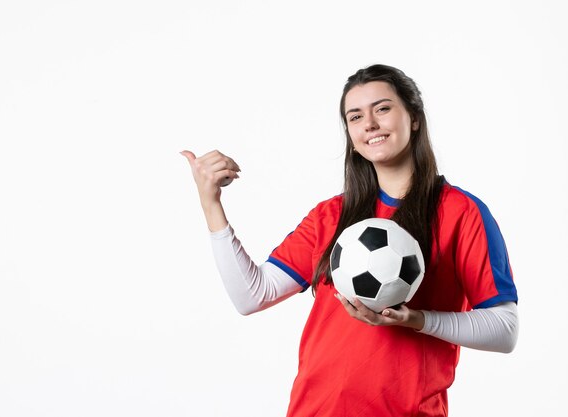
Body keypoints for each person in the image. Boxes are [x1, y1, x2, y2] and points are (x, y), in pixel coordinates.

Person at [181, 64, 519, 417]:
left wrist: (416, 319)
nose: (369, 124)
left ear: (414, 118)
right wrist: (211, 203)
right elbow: (252, 295)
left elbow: (505, 329)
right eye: (355, 117)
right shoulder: (331, 215)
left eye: (383, 109)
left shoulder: (461, 212)